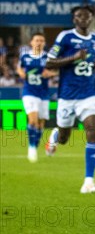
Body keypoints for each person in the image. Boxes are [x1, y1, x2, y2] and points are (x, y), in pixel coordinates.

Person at [45, 5, 95, 193]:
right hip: (67, 95)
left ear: (91, 18)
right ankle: (55, 134)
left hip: (90, 93)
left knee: (92, 130)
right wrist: (74, 57)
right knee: (64, 138)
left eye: (87, 16)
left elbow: (89, 64)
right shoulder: (65, 37)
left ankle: (89, 181)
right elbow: (49, 62)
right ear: (74, 19)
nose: (83, 19)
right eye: (79, 16)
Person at [16, 33, 56, 163]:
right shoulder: (25, 56)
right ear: (31, 42)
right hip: (29, 92)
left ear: (44, 43)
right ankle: (31, 147)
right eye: (37, 40)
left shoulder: (48, 57)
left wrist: (49, 73)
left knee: (41, 124)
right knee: (32, 120)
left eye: (41, 41)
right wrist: (21, 73)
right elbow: (19, 69)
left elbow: (56, 71)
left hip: (43, 93)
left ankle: (36, 144)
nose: (39, 42)